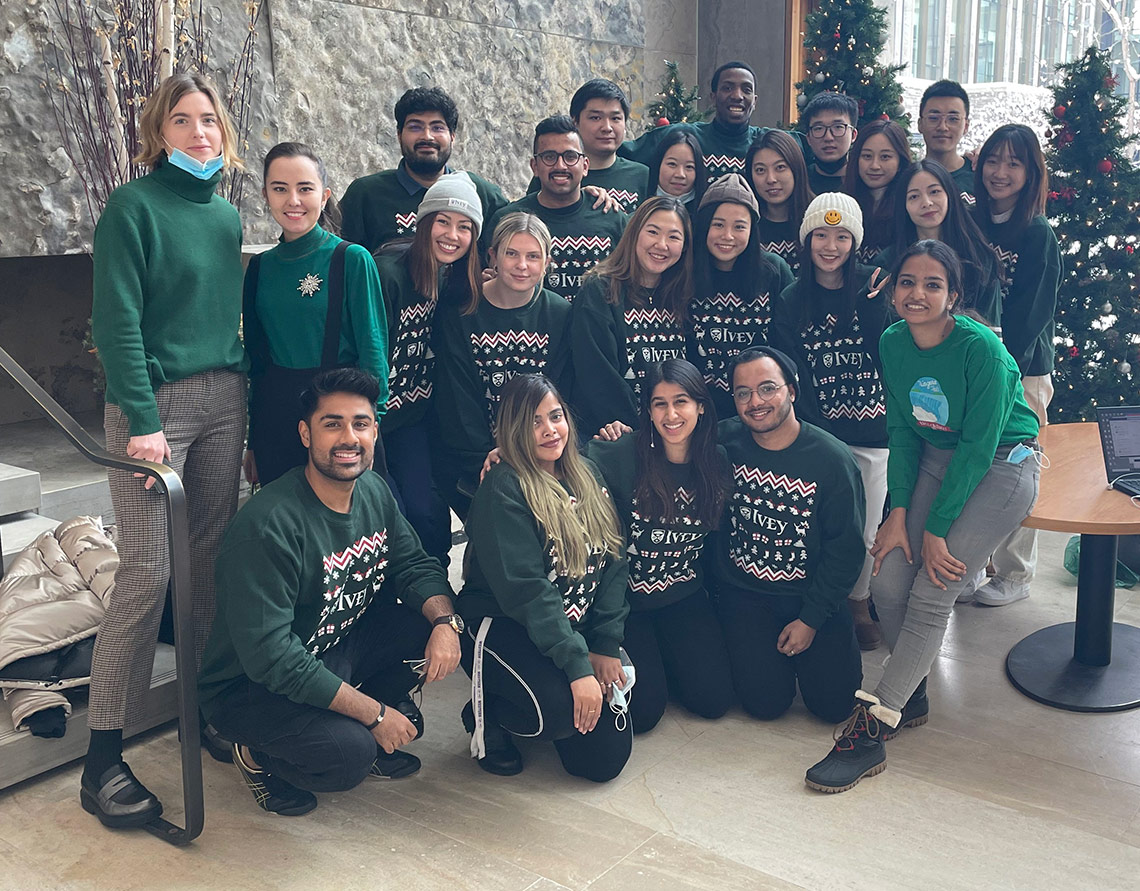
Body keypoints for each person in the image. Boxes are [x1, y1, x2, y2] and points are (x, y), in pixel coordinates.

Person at [804, 240, 1040, 793]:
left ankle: (870, 729)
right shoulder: (892, 341)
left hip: (1003, 465)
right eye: (907, 282)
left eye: (933, 284)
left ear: (953, 295)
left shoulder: (980, 348)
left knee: (935, 588)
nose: (917, 293)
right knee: (888, 581)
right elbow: (904, 432)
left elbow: (980, 447)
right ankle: (913, 689)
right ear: (892, 289)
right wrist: (900, 511)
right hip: (935, 458)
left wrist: (937, 531)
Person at [81, 73, 248, 828]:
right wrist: (143, 418)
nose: (198, 133)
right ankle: (102, 756)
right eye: (182, 121)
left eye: (208, 120)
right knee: (148, 571)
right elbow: (115, 319)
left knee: (208, 559)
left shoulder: (222, 216)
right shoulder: (131, 207)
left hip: (222, 402)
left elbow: (220, 312)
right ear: (159, 133)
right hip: (154, 411)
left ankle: (203, 705)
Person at [199, 368, 463, 815]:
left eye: (360, 423)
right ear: (305, 434)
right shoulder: (268, 526)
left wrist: (444, 622)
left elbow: (414, 564)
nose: (349, 437)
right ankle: (255, 753)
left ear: (375, 431)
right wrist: (375, 715)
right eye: (332, 424)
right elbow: (274, 658)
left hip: (329, 647)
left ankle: (350, 717)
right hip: (249, 687)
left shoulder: (374, 490)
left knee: (423, 627)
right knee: (348, 757)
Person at [458, 374, 632, 781]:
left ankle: (546, 688)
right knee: (558, 715)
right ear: (512, 430)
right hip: (503, 623)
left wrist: (604, 645)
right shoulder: (503, 487)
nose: (549, 430)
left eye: (555, 416)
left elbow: (614, 558)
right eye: (533, 421)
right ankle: (490, 712)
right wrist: (577, 667)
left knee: (602, 761)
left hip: (568, 625)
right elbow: (528, 592)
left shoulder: (586, 472)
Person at [714, 347, 866, 724]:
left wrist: (811, 620)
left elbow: (845, 551)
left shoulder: (833, 460)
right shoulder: (723, 441)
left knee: (834, 709)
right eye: (743, 393)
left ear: (792, 390)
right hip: (747, 596)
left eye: (768, 389)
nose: (755, 402)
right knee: (764, 706)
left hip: (812, 596)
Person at [586, 360, 733, 733]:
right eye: (659, 404)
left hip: (684, 596)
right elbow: (560, 461)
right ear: (647, 411)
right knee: (645, 714)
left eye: (681, 401)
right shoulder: (620, 454)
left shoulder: (717, 462)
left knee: (713, 701)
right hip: (627, 603)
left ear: (701, 405)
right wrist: (508, 454)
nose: (671, 414)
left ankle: (667, 659)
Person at [771, 193, 887, 651]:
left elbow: (890, 354)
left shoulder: (874, 285)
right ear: (807, 239)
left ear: (855, 241)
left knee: (865, 525)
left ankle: (858, 602)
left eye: (842, 236)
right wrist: (817, 432)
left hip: (875, 433)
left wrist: (878, 309)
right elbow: (791, 369)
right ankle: (818, 603)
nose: (831, 245)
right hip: (820, 431)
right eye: (822, 234)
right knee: (815, 522)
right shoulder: (791, 297)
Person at [242, 142, 388, 487]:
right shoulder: (260, 268)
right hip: (276, 415)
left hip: (339, 415)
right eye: (280, 189)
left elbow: (374, 350)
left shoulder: (350, 259)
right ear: (266, 195)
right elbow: (257, 359)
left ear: (324, 196)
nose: (293, 200)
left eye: (304, 189)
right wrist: (254, 439)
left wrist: (370, 427)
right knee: (285, 519)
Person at [971, 124, 1060, 607]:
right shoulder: (975, 220)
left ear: (1030, 173)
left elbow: (1031, 317)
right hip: (978, 365)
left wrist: (1005, 376)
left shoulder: (1036, 233)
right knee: (981, 468)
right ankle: (977, 563)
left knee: (1019, 467)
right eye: (992, 161)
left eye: (1013, 163)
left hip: (1022, 374)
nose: (1000, 172)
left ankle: (1015, 573)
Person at [432, 213, 572, 519]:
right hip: (476, 461)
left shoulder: (560, 314)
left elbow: (562, 393)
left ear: (547, 262)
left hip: (542, 453)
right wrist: (490, 459)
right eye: (512, 253)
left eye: (533, 256)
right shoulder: (462, 313)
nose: (522, 265)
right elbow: (458, 398)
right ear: (493, 256)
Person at [375, 172, 483, 566]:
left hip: (414, 417)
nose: (452, 235)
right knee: (393, 515)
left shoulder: (453, 276)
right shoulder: (387, 274)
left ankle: (437, 602)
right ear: (423, 223)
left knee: (427, 513)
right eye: (442, 221)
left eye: (465, 227)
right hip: (375, 419)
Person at [571, 196, 693, 436]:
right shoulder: (599, 290)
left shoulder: (682, 294)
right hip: (614, 433)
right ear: (634, 233)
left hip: (673, 431)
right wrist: (642, 432)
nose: (662, 244)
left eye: (674, 237)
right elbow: (597, 377)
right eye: (653, 232)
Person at [340, 86, 508, 252]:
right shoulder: (366, 194)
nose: (427, 136)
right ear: (399, 135)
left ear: (452, 136)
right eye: (415, 127)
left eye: (437, 128)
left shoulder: (482, 194)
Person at [483, 115, 628, 304]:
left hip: (597, 331)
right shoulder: (507, 220)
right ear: (534, 166)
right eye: (549, 157)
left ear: (585, 166)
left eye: (570, 157)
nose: (560, 166)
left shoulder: (612, 217)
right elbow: (486, 279)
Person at [688, 173, 794, 419]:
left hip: (762, 408)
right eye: (718, 224)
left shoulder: (774, 270)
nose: (728, 236)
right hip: (700, 411)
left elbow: (789, 343)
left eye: (739, 226)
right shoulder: (685, 271)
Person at [880, 160, 1002, 327]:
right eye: (914, 196)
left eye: (934, 192)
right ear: (904, 206)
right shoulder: (888, 261)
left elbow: (991, 332)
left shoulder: (980, 258)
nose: (926, 202)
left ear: (950, 195)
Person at [620, 62, 769, 180]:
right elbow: (618, 154)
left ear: (754, 101)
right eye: (728, 88)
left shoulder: (769, 144)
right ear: (713, 97)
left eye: (746, 90)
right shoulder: (682, 136)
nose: (737, 96)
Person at [526, 79, 649, 214]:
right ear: (575, 122)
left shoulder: (642, 175)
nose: (607, 128)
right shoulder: (554, 173)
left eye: (615, 118)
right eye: (595, 118)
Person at [745, 129, 816, 274]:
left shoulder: (818, 217)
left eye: (780, 168)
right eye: (760, 170)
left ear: (796, 168)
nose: (771, 179)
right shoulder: (745, 225)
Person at [844, 119, 912, 263]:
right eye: (867, 156)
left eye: (885, 157)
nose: (875, 165)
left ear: (900, 161)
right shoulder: (843, 202)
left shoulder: (910, 205)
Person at [917, 79, 975, 203]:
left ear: (966, 126)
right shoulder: (909, 177)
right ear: (920, 124)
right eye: (933, 118)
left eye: (953, 119)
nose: (943, 127)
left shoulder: (981, 175)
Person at [801, 92, 859, 195]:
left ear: (853, 135)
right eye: (819, 128)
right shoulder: (799, 182)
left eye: (838, 127)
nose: (828, 137)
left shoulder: (865, 180)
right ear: (808, 138)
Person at [648, 128, 708, 217]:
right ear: (658, 164)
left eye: (689, 167)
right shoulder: (641, 200)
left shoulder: (705, 211)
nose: (680, 175)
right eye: (672, 164)